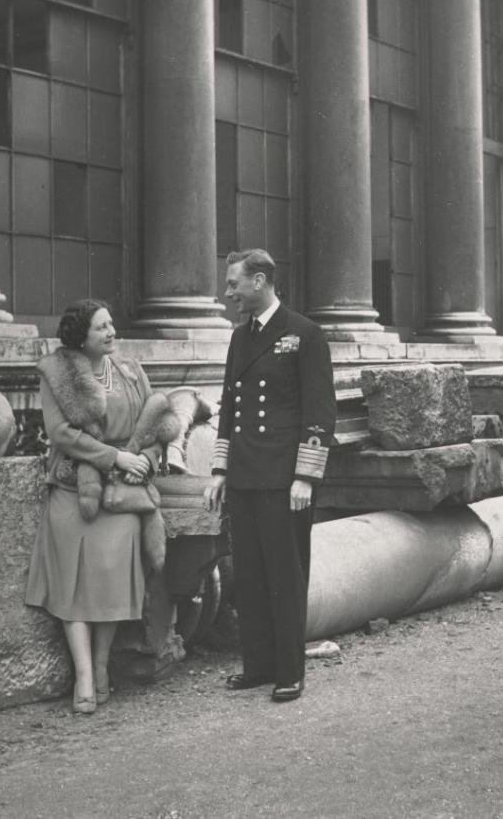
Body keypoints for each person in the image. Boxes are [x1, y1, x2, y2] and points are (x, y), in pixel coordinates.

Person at [204, 249, 336, 702]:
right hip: (244, 473)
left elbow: (319, 412)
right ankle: (258, 665)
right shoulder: (240, 338)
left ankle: (289, 671)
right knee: (251, 574)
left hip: (284, 478)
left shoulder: (304, 334)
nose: (228, 293)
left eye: (234, 284)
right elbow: (229, 409)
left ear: (259, 281)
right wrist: (220, 469)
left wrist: (306, 476)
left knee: (285, 573)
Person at [26, 299, 161, 715]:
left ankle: (102, 665)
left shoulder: (131, 371)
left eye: (112, 324)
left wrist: (145, 463)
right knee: (73, 585)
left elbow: (156, 424)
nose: (111, 332)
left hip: (122, 493)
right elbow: (61, 434)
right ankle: (84, 674)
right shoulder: (59, 373)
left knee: (110, 583)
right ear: (80, 336)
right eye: (102, 327)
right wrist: (113, 457)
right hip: (74, 489)